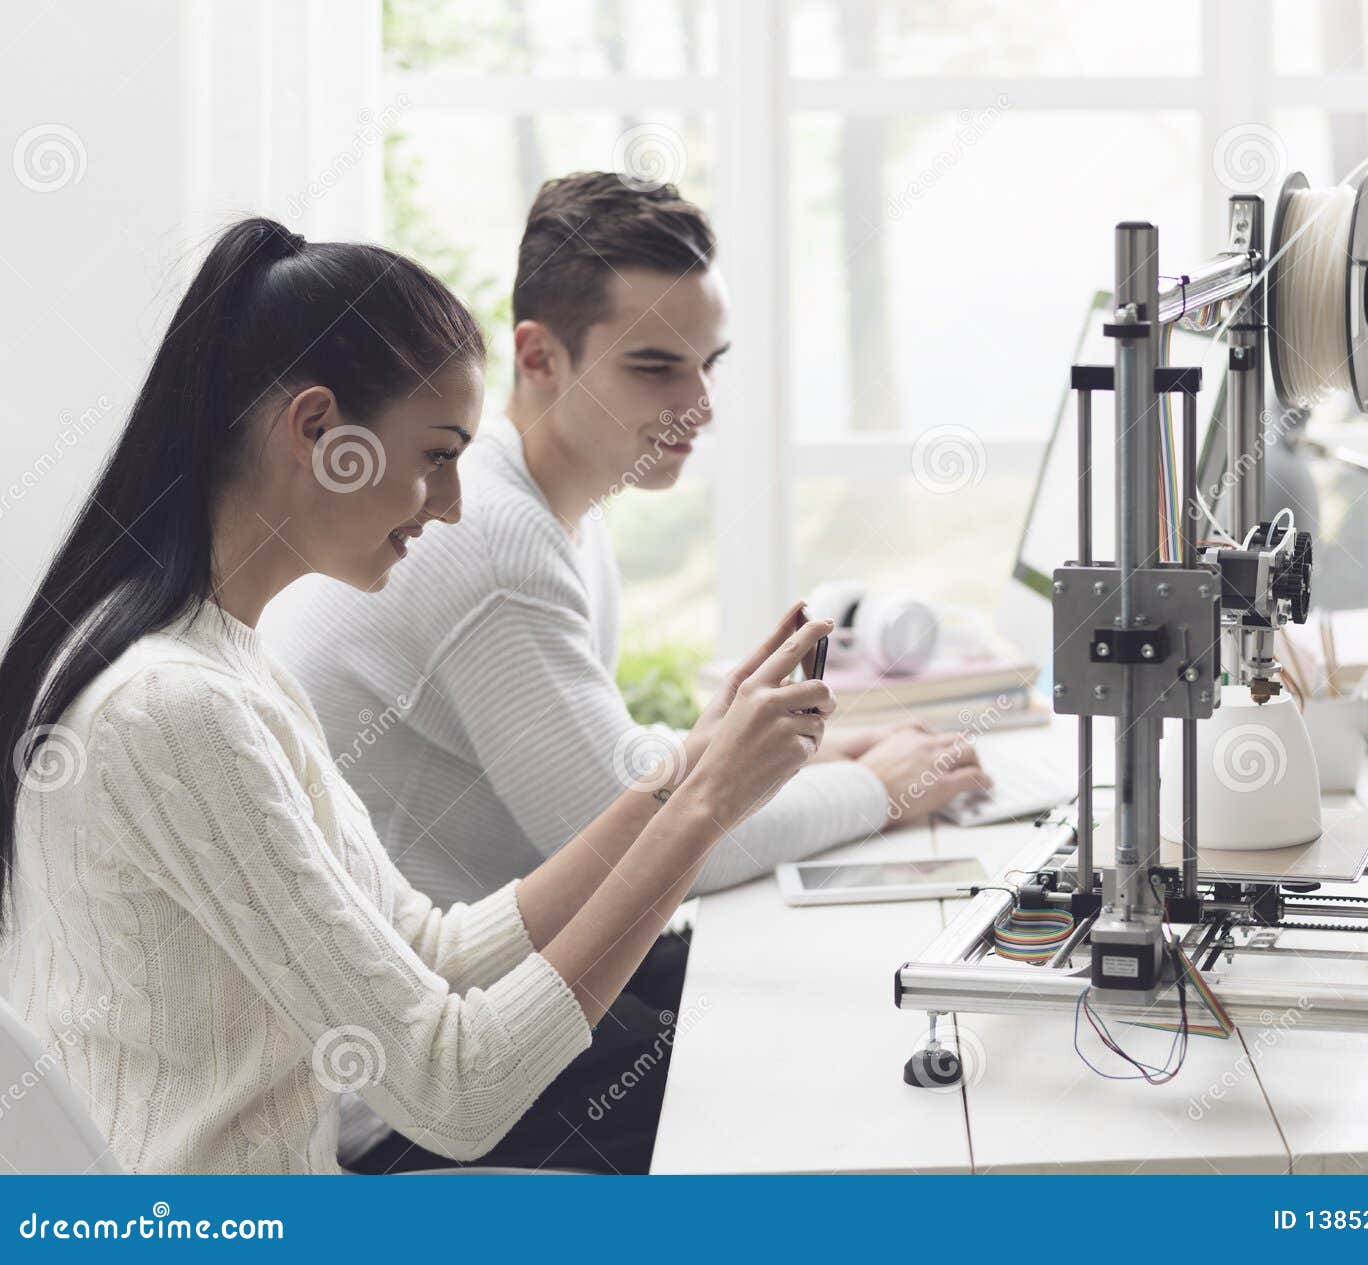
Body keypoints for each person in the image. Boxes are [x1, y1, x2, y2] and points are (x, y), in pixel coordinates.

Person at [0, 217, 834, 1175]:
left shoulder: (232, 664)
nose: (451, 504)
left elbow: (431, 946)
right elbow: (455, 1091)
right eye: (436, 455)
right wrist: (703, 807)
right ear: (317, 430)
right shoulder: (171, 708)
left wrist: (692, 763)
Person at [262, 173, 989, 1171]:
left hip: (503, 990)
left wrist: (814, 754)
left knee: (831, 1005)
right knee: (829, 1076)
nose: (698, 405)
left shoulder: (554, 505)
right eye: (656, 368)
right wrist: (877, 786)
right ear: (538, 355)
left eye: (708, 365)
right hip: (421, 1098)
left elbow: (614, 784)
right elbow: (639, 834)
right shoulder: (491, 538)